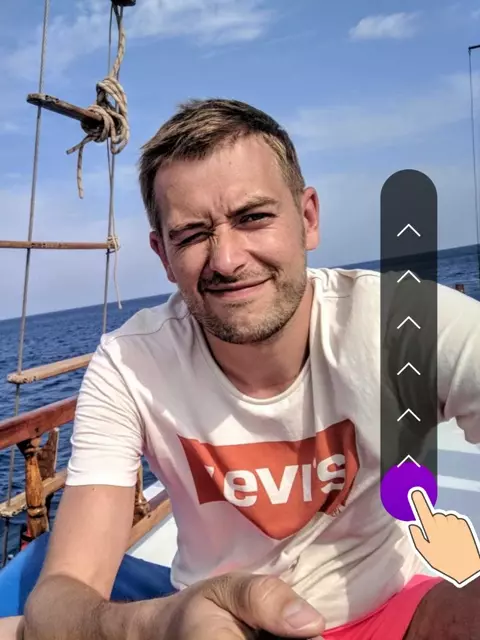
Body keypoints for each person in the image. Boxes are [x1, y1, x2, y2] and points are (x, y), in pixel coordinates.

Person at [7, 98, 480, 639]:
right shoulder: (130, 365)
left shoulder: (406, 326)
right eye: (192, 235)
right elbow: (61, 596)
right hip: (212, 624)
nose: (228, 259)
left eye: (253, 218)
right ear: (163, 256)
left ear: (307, 218)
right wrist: (163, 622)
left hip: (394, 611)